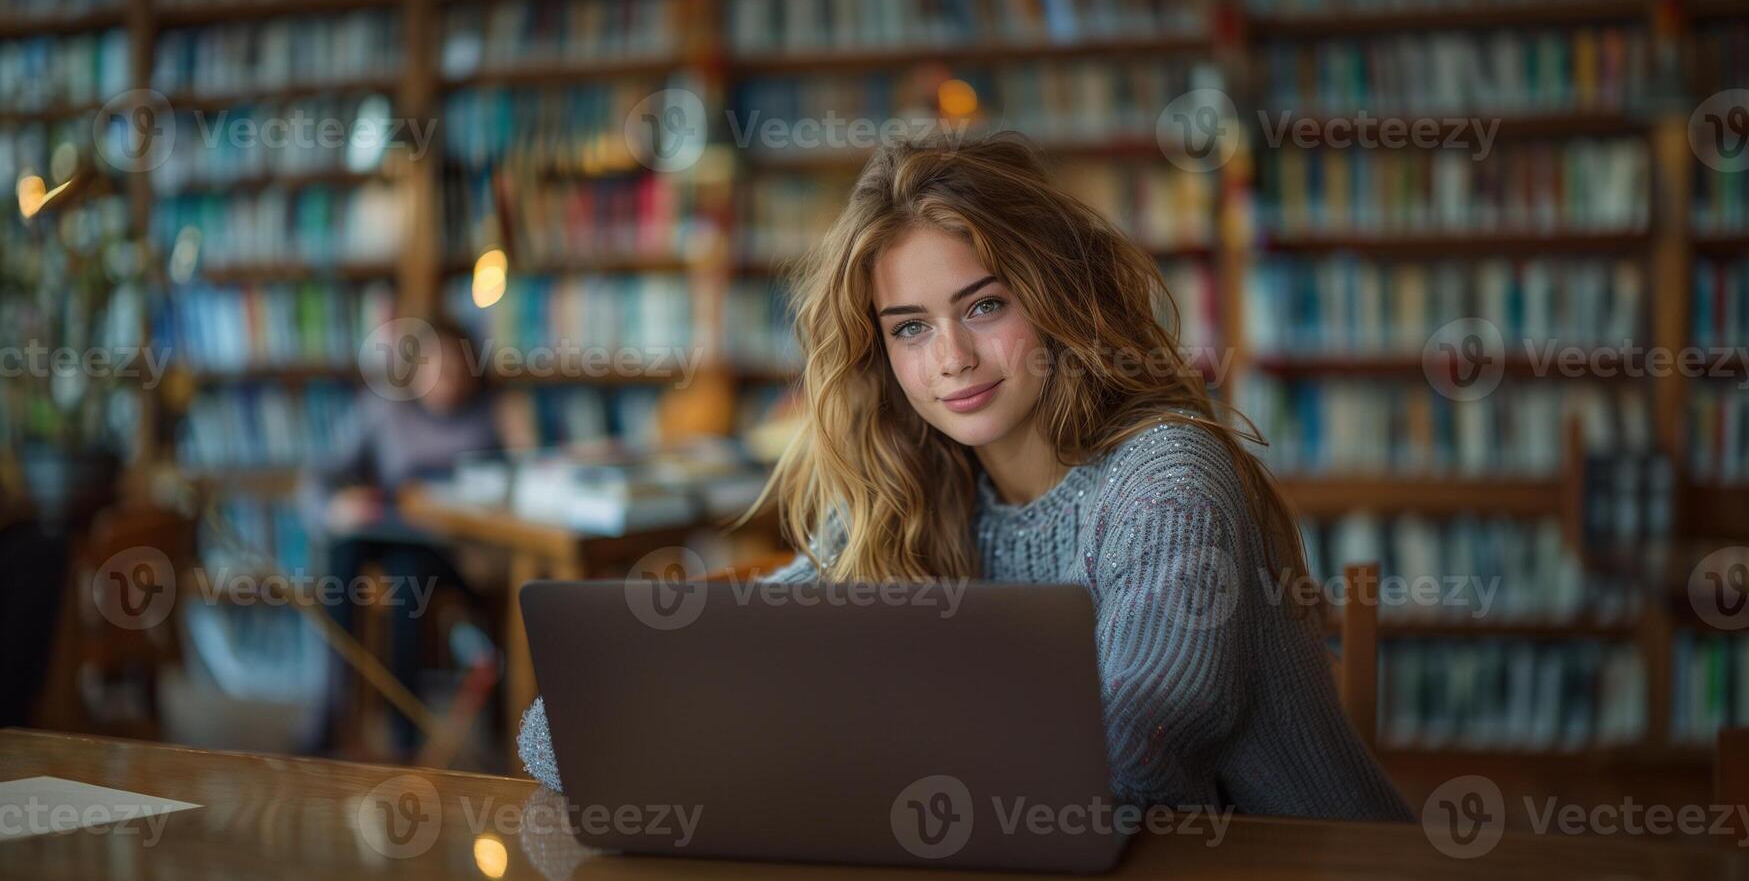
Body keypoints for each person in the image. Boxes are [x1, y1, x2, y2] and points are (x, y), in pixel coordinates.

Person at [515, 133, 1412, 820]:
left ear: (1062, 298)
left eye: (984, 305)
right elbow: (561, 735)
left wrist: (791, 738)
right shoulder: (909, 495)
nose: (950, 358)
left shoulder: (1167, 476)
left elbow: (1131, 749)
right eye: (908, 327)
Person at [300, 316, 503, 757]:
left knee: (409, 577)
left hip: (449, 547)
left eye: (456, 368)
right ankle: (331, 708)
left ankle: (404, 736)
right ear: (415, 368)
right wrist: (333, 507)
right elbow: (319, 476)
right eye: (436, 366)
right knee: (344, 551)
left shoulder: (493, 416)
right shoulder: (385, 410)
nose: (446, 380)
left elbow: (517, 485)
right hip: (383, 529)